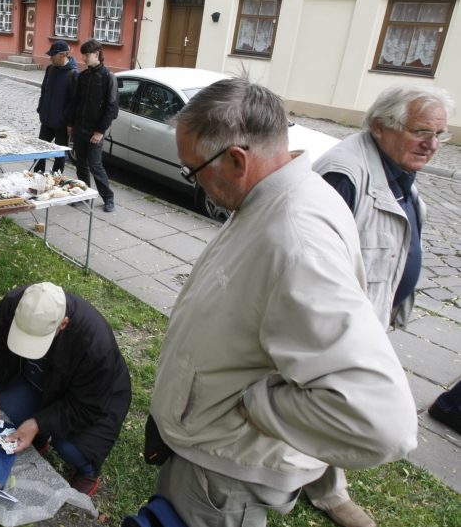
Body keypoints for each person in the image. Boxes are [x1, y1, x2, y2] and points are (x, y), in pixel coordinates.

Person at [147, 77, 417, 527]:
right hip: (211, 451)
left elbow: (381, 422)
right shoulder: (273, 198)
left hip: (222, 475)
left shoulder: (295, 239)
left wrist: (259, 405)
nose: (195, 183)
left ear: (236, 159)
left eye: (193, 171)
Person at [310, 85, 453, 527]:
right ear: (380, 127)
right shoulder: (344, 173)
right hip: (335, 325)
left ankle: (316, 480)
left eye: (440, 134)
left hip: (370, 315)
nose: (432, 144)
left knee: (334, 402)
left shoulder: (395, 167)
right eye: (421, 132)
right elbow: (312, 262)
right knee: (334, 402)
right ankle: (327, 492)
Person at [0, 282, 131, 497]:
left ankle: (87, 471)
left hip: (92, 400)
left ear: (64, 323)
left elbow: (87, 407)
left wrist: (38, 423)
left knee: (70, 448)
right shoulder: (14, 304)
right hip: (37, 383)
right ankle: (37, 438)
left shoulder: (95, 344)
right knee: (5, 412)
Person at [69, 39, 118, 212]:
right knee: (81, 165)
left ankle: (108, 198)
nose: (83, 58)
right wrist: (71, 126)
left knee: (95, 165)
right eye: (83, 54)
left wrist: (100, 131)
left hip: (95, 130)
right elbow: (75, 102)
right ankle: (84, 195)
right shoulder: (83, 76)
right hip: (80, 127)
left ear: (96, 54)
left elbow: (112, 108)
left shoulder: (108, 77)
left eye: (86, 54)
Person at [33, 40, 77, 176]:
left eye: (53, 55)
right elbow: (44, 90)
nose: (50, 58)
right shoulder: (50, 69)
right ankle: (37, 175)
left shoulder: (73, 74)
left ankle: (56, 179)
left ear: (63, 55)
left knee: (59, 154)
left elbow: (74, 101)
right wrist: (41, 109)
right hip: (46, 120)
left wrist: (68, 122)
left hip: (61, 124)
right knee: (40, 150)